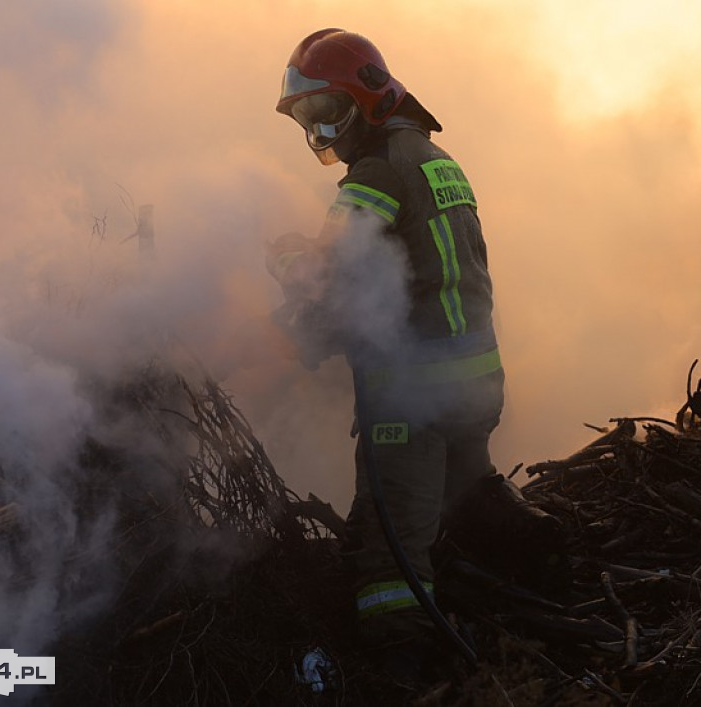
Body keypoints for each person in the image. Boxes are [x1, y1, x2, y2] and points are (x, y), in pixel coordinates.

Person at [269, 28, 508, 683]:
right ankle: (530, 558)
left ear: (366, 95)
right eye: (308, 118)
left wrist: (285, 258)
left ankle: (401, 669)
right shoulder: (435, 158)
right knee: (452, 509)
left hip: (415, 396)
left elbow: (332, 277)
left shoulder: (374, 174)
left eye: (325, 111)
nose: (320, 131)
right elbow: (409, 276)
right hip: (474, 385)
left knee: (387, 552)